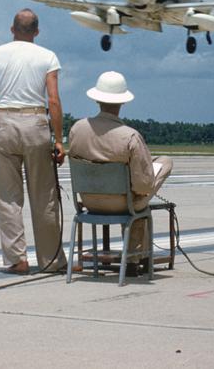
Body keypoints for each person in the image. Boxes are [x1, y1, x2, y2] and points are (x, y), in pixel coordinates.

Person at [0, 9, 68, 274]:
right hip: (35, 122)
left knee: (8, 198)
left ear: (12, 29)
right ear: (37, 32)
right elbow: (53, 100)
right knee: (44, 197)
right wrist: (59, 140)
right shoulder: (47, 56)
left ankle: (17, 259)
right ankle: (50, 259)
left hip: (4, 123)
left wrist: (3, 95)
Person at [67, 71, 173, 272]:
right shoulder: (130, 136)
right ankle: (133, 259)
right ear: (122, 102)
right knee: (162, 167)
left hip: (88, 200)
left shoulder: (77, 129)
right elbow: (142, 185)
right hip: (122, 204)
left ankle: (135, 256)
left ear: (97, 99)